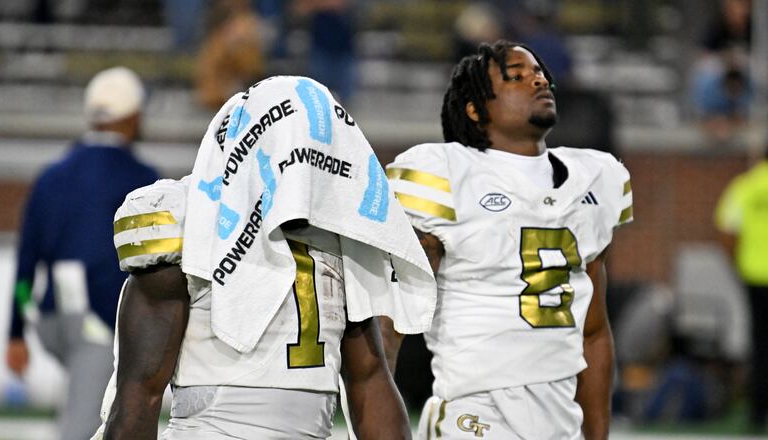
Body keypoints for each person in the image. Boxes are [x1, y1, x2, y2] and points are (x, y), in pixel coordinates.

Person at [93, 75, 436, 439]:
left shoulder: (345, 238)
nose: (311, 164)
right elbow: (139, 396)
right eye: (301, 149)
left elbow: (370, 381)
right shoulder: (188, 222)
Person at [386, 40, 634, 439]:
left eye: (539, 74)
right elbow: (390, 323)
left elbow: (593, 332)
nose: (537, 80)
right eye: (516, 77)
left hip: (559, 420)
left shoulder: (596, 178)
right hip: (473, 414)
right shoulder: (446, 175)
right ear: (476, 108)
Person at [5, 66, 159, 440]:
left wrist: (16, 332)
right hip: (97, 323)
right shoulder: (141, 178)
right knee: (88, 425)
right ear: (132, 116)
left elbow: (26, 262)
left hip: (52, 320)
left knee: (92, 401)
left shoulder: (51, 175)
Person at [714, 149, 768, 433]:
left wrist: (737, 264)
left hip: (755, 275)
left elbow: (726, 228)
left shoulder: (746, 185)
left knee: (760, 345)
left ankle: (758, 413)